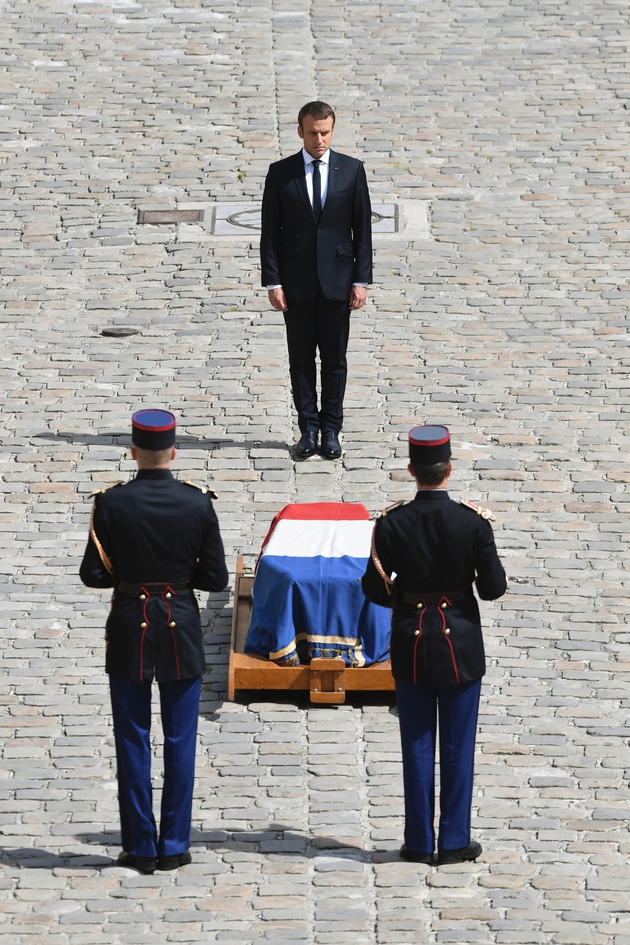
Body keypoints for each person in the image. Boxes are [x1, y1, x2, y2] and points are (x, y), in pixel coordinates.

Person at [80, 409, 228, 874]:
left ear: (133, 453)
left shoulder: (111, 503)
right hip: (180, 626)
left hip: (129, 626)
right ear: (174, 453)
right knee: (181, 738)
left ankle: (141, 846)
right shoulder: (197, 503)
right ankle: (176, 844)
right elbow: (215, 577)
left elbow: (92, 574)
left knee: (132, 738)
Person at [361, 425, 507, 865]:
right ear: (449, 470)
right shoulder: (473, 522)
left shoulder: (391, 523)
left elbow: (375, 589)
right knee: (459, 747)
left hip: (411, 640)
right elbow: (494, 589)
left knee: (417, 745)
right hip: (460, 643)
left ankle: (420, 842)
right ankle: (455, 841)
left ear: (411, 470)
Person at [260, 100, 373, 459]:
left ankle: (331, 430)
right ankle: (308, 429)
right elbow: (269, 233)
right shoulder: (281, 173)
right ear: (300, 132)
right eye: (313, 133)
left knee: (335, 359)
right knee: (301, 359)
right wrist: (273, 282)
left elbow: (362, 230)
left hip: (339, 281)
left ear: (332, 131)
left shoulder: (352, 170)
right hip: (297, 283)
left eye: (325, 132)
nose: (319, 139)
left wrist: (362, 280)